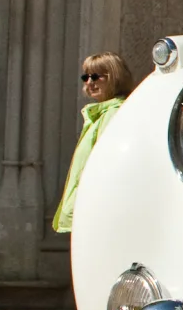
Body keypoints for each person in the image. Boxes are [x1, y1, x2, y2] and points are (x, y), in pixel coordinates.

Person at [53, 51, 134, 234]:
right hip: (91, 210)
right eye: (86, 77)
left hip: (99, 213)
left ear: (115, 77)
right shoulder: (99, 115)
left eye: (96, 76)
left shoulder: (114, 112)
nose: (90, 82)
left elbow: (107, 165)